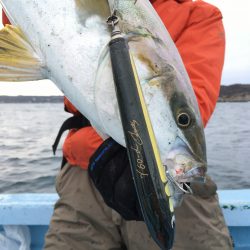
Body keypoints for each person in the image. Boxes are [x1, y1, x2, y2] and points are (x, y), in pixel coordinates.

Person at [2, 0, 233, 249]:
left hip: (170, 183)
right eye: (182, 119)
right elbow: (20, 22)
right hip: (82, 174)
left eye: (182, 119)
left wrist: (138, 154)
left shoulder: (198, 15)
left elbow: (193, 100)